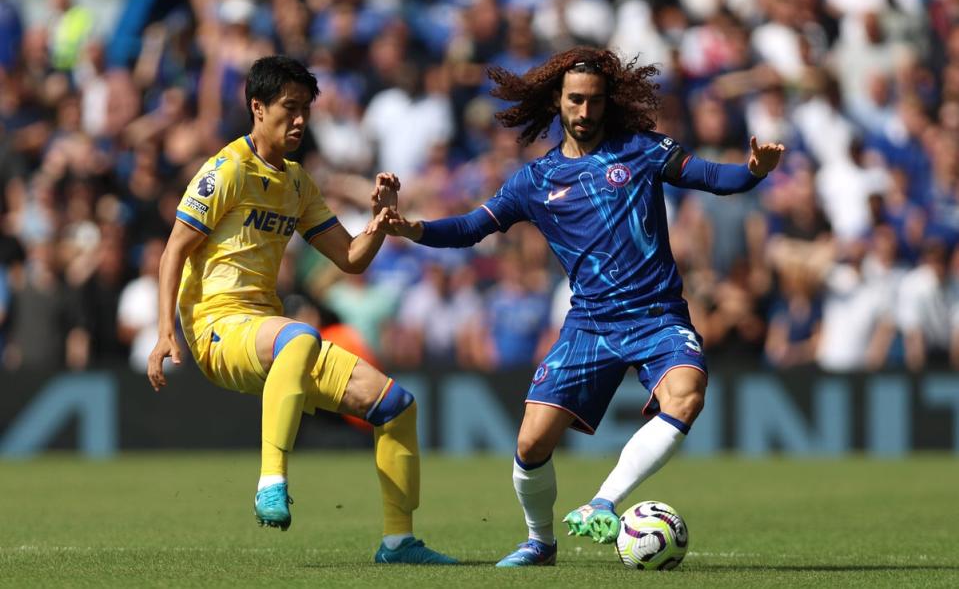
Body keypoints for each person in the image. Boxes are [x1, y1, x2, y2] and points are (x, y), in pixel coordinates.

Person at [371, 46, 785, 567]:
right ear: (557, 102)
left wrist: (752, 170)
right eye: (575, 101)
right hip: (591, 324)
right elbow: (471, 228)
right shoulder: (534, 181)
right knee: (530, 444)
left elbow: (709, 175)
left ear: (607, 102)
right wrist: (413, 228)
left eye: (593, 101)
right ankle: (539, 542)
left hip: (658, 316)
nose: (585, 112)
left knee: (687, 395)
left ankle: (605, 502)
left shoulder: (642, 150)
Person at [146, 55, 455, 565]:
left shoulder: (297, 183)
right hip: (216, 328)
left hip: (266, 329)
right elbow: (174, 250)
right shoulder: (226, 169)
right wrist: (165, 332)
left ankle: (399, 543)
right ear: (257, 107)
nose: (299, 121)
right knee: (301, 335)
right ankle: (271, 481)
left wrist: (379, 222)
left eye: (306, 110)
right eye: (289, 108)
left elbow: (350, 259)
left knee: (397, 406)